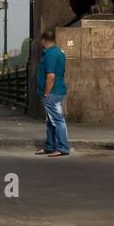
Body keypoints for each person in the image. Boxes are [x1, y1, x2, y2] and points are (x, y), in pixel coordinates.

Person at [35, 28, 70, 157]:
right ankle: (50, 146)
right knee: (51, 120)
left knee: (57, 120)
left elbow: (51, 76)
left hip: (52, 93)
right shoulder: (59, 52)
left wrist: (46, 93)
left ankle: (63, 148)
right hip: (58, 91)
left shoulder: (50, 54)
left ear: (43, 40)